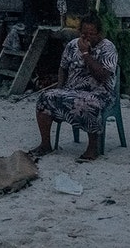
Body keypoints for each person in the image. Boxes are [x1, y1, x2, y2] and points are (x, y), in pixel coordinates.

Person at [27, 12, 118, 162]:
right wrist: (61, 87)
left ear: (99, 33)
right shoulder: (72, 45)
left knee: (88, 103)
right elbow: (63, 68)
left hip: (100, 93)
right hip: (72, 90)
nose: (87, 37)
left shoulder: (108, 48)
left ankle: (92, 148)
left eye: (91, 34)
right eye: (84, 33)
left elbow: (102, 76)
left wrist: (85, 54)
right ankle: (45, 144)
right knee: (45, 97)